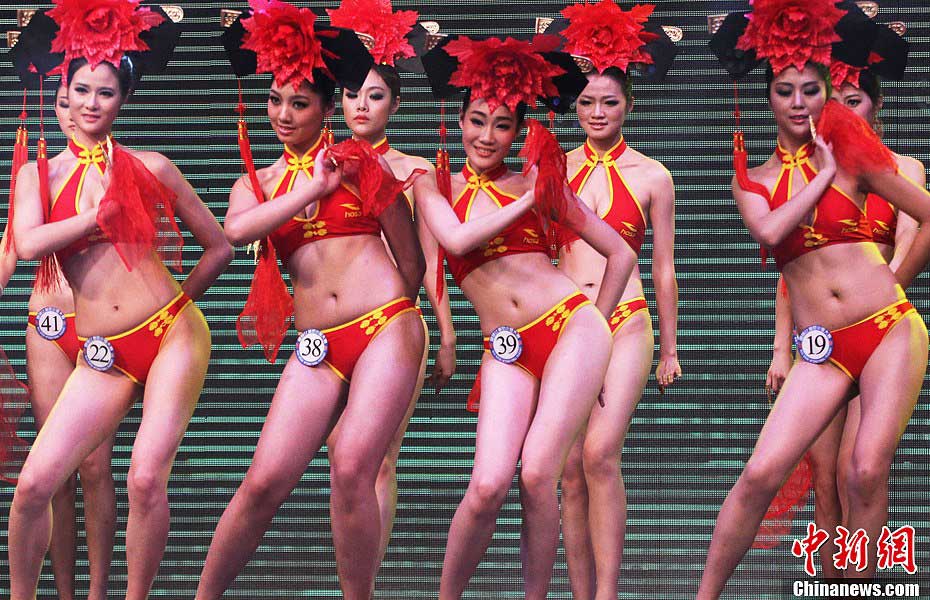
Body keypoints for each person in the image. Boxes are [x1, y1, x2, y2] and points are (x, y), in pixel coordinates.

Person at [196, 3, 424, 598]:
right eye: (274, 100)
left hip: (384, 325)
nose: (282, 114)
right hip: (317, 343)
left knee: (352, 467)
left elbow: (413, 260)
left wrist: (398, 322)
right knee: (263, 481)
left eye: (299, 103)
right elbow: (237, 234)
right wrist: (312, 187)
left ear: (328, 108)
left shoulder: (363, 164)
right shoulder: (257, 181)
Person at [701, 1, 930, 595]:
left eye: (810, 89)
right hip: (822, 348)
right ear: (769, 98)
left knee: (865, 471)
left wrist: (895, 282)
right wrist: (824, 176)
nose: (798, 102)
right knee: (759, 476)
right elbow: (772, 233)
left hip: (888, 328)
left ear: (827, 91)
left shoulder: (858, 157)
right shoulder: (750, 176)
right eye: (784, 91)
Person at [7, 5, 232, 599]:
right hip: (101, 349)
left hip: (172, 333)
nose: (91, 102)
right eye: (80, 89)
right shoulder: (37, 175)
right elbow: (27, 244)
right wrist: (92, 216)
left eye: (105, 92)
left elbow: (219, 247)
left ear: (122, 99)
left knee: (142, 478)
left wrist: (173, 307)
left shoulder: (151, 165)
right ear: (62, 89)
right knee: (33, 487)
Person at [418, 33, 636, 599]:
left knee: (540, 472)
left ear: (520, 133)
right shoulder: (431, 185)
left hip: (572, 327)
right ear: (457, 120)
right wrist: (528, 201)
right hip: (505, 348)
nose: (486, 137)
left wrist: (599, 335)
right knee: (488, 484)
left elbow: (623, 254)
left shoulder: (542, 183)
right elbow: (455, 240)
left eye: (502, 125)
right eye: (477, 120)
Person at [762, 30, 922, 576]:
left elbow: (908, 248)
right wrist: (782, 347)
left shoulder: (900, 168)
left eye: (855, 101)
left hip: (877, 330)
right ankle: (830, 584)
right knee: (824, 477)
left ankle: (865, 585)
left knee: (864, 471)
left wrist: (874, 308)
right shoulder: (810, 167)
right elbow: (794, 268)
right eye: (838, 100)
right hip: (819, 338)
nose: (843, 111)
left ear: (876, 104)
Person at [547, 3, 681, 598]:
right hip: (568, 324)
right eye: (586, 103)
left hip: (626, 319)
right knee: (569, 472)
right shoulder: (552, 169)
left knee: (601, 453)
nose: (597, 114)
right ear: (574, 106)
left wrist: (669, 350)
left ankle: (608, 591)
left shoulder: (653, 175)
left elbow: (663, 267)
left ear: (630, 104)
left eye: (609, 102)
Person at [328, 0, 457, 572]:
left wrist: (447, 335)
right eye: (353, 94)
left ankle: (367, 583)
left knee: (377, 460)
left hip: (396, 325)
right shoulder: (320, 164)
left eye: (375, 95)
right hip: (331, 330)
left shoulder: (416, 171)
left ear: (396, 104)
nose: (362, 105)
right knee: (340, 458)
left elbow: (431, 259)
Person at [0, 81, 117, 600]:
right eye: (68, 100)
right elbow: (11, 251)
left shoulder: (126, 169)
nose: (79, 111)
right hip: (46, 323)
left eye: (97, 97)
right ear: (58, 105)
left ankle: (98, 592)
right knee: (56, 470)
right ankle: (65, 594)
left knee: (95, 465)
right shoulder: (38, 175)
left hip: (102, 325)